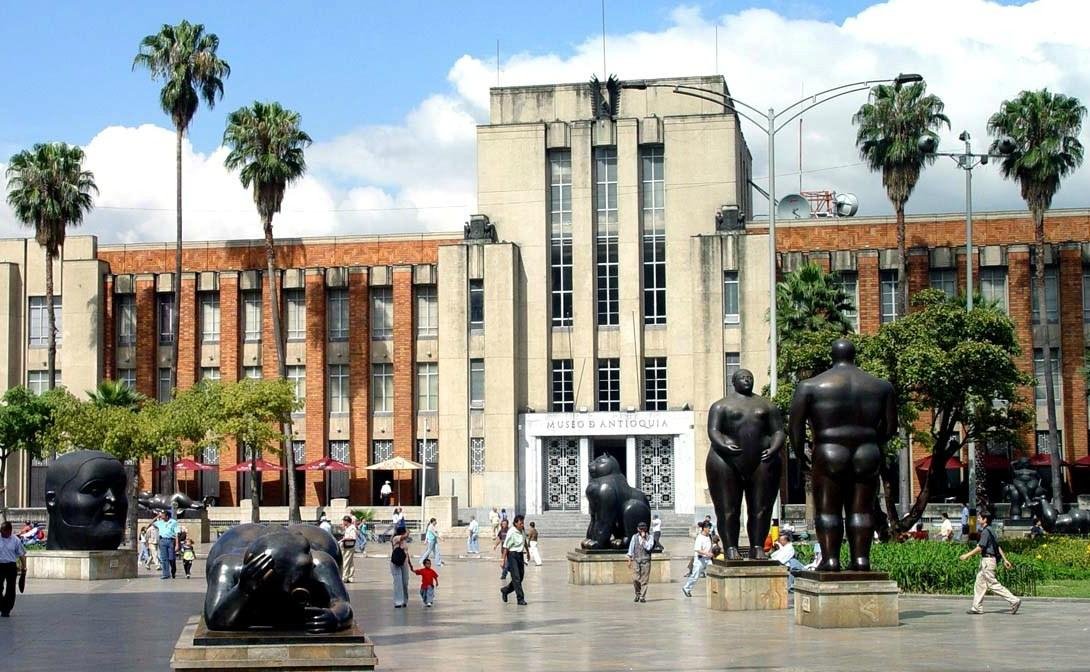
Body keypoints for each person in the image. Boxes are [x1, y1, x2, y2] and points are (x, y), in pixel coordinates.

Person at [203, 524, 352, 632]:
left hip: (312, 540)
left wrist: (335, 616)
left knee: (330, 548)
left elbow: (343, 604)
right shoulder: (228, 566)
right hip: (236, 542)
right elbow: (215, 620)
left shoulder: (318, 563)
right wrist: (242, 590)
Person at [960, 511, 1021, 615]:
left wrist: (967, 555)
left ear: (985, 520)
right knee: (979, 583)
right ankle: (977, 607)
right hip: (989, 560)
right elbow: (997, 547)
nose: (978, 519)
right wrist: (1005, 559)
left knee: (992, 584)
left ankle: (1014, 600)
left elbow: (980, 547)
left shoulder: (985, 532)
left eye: (980, 518)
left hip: (987, 561)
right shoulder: (991, 530)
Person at [0, 521, 27, 617]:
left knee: (10, 589)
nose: (2, 534)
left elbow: (22, 555)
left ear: (10, 531)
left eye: (4, 532)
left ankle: (6, 609)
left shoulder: (15, 540)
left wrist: (24, 567)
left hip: (11, 566)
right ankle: (2, 605)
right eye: (1, 532)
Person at [500, 514, 528, 605]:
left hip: (520, 555)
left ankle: (505, 590)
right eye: (520, 523)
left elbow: (524, 542)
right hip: (512, 555)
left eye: (523, 523)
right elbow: (506, 546)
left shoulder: (522, 530)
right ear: (516, 523)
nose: (522, 525)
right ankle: (520, 599)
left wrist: (528, 552)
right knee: (516, 578)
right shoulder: (511, 532)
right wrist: (503, 559)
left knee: (520, 577)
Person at [682, 522, 714, 597]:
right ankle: (687, 588)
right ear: (704, 528)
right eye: (708, 527)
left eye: (710, 527)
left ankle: (714, 589)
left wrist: (711, 553)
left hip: (708, 559)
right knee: (695, 575)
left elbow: (710, 546)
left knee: (713, 572)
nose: (709, 529)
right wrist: (706, 553)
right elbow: (697, 549)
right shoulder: (699, 537)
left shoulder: (709, 536)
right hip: (700, 559)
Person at [626, 521, 654, 603]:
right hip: (636, 560)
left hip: (646, 561)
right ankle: (637, 593)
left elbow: (649, 547)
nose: (642, 530)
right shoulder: (634, 537)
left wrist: (644, 539)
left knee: (644, 579)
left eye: (643, 528)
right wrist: (629, 559)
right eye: (640, 528)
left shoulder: (650, 537)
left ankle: (642, 596)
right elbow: (631, 549)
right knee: (635, 579)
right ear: (637, 529)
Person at [390, 523, 412, 608]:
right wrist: (407, 531)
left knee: (405, 581)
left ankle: (404, 600)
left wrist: (410, 564)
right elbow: (404, 536)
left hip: (404, 562)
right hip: (396, 562)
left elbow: (406, 552)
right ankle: (398, 601)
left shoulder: (404, 542)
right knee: (398, 581)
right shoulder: (395, 538)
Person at [153, 510, 180, 579]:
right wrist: (157, 516)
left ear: (167, 516)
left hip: (171, 540)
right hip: (162, 541)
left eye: (163, 515)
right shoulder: (160, 522)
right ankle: (166, 574)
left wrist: (177, 544)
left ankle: (173, 570)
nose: (161, 516)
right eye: (161, 515)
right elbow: (151, 523)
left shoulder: (173, 522)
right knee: (164, 558)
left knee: (171, 558)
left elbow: (177, 534)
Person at [341, 516, 358, 583]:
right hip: (346, 545)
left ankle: (344, 577)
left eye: (344, 521)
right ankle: (350, 577)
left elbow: (353, 537)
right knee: (350, 562)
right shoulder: (348, 527)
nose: (343, 522)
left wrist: (345, 538)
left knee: (346, 561)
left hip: (349, 546)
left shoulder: (352, 528)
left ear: (346, 521)